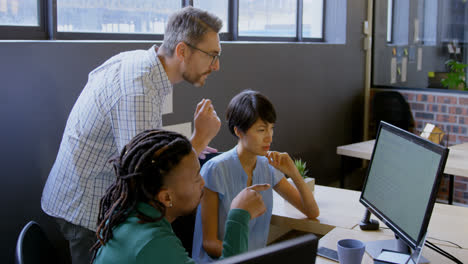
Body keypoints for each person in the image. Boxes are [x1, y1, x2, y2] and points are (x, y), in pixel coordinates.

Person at [41, 7, 223, 264]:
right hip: (86, 210)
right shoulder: (139, 92)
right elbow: (146, 179)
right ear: (182, 51)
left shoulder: (143, 65)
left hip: (86, 196)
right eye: (211, 55)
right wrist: (200, 137)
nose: (216, 66)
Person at [91, 129, 270, 264]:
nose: (202, 183)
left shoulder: (128, 215)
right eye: (196, 177)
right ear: (166, 198)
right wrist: (239, 216)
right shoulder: (153, 243)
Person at [191, 90, 320, 263]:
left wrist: (294, 173)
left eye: (271, 128)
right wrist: (250, 258)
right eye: (261, 130)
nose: (269, 137)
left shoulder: (267, 167)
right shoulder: (215, 170)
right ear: (238, 131)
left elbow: (311, 212)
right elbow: (209, 243)